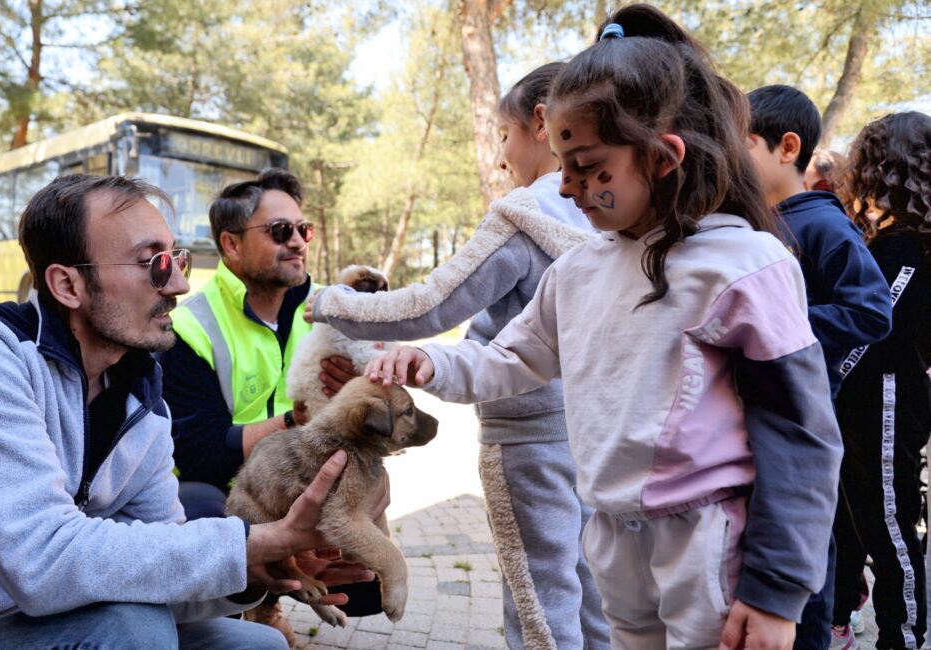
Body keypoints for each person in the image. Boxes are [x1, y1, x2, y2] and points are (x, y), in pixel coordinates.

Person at [364, 5, 844, 648]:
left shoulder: (746, 264)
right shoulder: (579, 269)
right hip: (613, 541)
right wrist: (435, 364)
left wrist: (777, 592)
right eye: (563, 165)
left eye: (588, 167)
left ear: (663, 156)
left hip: (709, 547)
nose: (566, 188)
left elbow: (801, 436)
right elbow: (515, 359)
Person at [0, 174, 373, 649]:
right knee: (132, 632)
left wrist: (258, 570)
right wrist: (249, 540)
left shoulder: (142, 399)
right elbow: (41, 560)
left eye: (177, 259)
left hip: (39, 621)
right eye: (153, 264)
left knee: (253, 644)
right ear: (67, 284)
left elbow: (159, 576)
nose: (180, 284)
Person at [307, 62, 609, 649]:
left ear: (542, 123)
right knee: (595, 591)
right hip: (597, 436)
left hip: (528, 441)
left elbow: (426, 306)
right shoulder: (614, 214)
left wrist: (327, 300)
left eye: (504, 133)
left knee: (539, 603)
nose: (502, 155)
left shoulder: (523, 217)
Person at [158, 167, 380, 643]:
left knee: (370, 530)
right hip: (224, 483)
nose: (298, 242)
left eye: (304, 230)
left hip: (296, 471)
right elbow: (198, 451)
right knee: (200, 504)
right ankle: (246, 607)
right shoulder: (188, 327)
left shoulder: (327, 311)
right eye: (281, 232)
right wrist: (294, 422)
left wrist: (358, 388)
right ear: (231, 245)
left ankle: (272, 597)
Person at [745, 84, 892, 650]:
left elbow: (871, 310)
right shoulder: (758, 223)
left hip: (804, 421)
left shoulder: (821, 226)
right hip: (760, 420)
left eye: (744, 145)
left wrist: (782, 322)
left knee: (803, 570)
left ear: (787, 147)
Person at [830, 112, 931, 650]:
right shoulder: (891, 240)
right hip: (868, 400)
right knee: (856, 521)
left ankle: (904, 637)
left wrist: (828, 376)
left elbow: (874, 328)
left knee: (890, 527)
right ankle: (847, 616)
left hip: (888, 396)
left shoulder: (906, 247)